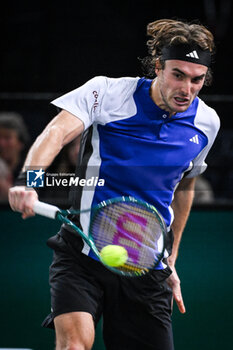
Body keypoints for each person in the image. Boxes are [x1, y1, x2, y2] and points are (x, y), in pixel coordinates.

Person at [8, 19, 220, 350]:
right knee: (75, 345)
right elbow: (56, 133)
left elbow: (184, 188)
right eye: (177, 75)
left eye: (197, 80)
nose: (187, 89)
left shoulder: (207, 123)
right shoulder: (107, 93)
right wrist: (29, 181)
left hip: (146, 266)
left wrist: (171, 259)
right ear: (158, 67)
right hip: (82, 253)